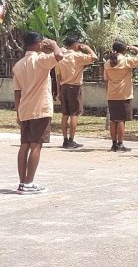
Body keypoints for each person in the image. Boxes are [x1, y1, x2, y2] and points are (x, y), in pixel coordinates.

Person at [13, 32, 63, 194]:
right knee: (36, 145)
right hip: (40, 109)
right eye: (41, 42)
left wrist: (18, 112)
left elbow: (17, 92)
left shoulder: (18, 65)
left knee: (24, 146)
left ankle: (22, 183)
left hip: (25, 109)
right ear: (36, 44)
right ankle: (29, 183)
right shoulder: (41, 60)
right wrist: (54, 44)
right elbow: (59, 55)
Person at [104, 42, 138, 152]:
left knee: (113, 120)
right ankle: (120, 144)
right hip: (124, 94)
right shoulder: (126, 61)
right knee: (121, 120)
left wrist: (108, 92)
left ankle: (114, 144)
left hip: (112, 94)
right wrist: (135, 48)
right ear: (124, 50)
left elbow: (106, 80)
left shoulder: (107, 63)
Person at [56, 35, 98, 149]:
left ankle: (65, 140)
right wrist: (87, 48)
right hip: (74, 87)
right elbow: (94, 58)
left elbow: (58, 76)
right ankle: (71, 140)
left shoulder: (61, 57)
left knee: (65, 114)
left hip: (64, 87)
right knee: (74, 114)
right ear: (75, 44)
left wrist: (58, 92)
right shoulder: (77, 56)